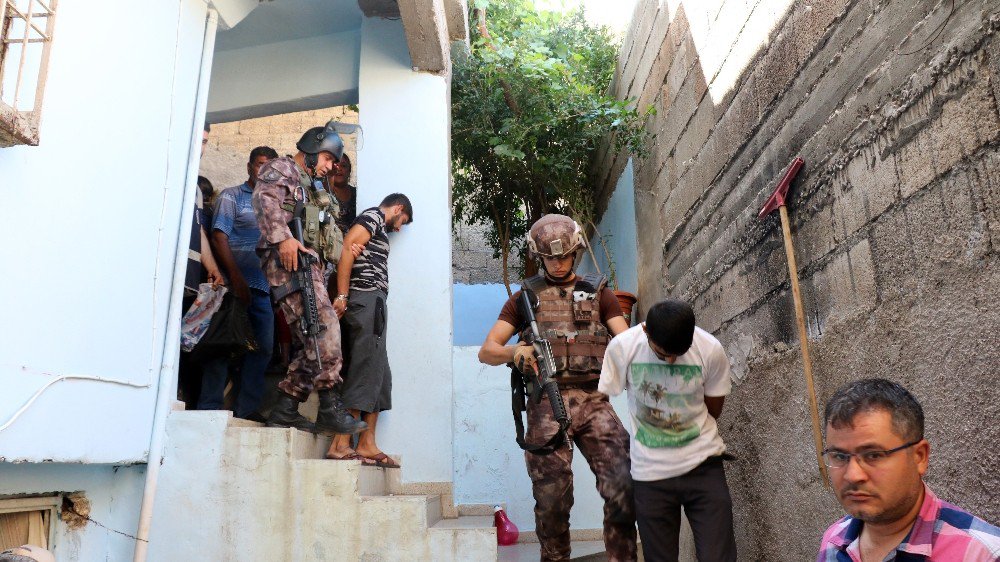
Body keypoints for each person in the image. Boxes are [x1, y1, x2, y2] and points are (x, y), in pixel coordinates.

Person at [478, 214, 636, 562]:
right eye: (551, 257)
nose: (559, 263)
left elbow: (626, 343)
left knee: (623, 485)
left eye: (565, 256)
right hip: (546, 403)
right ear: (539, 256)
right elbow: (487, 351)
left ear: (576, 252)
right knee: (552, 501)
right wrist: (514, 351)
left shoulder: (599, 292)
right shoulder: (524, 299)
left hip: (594, 401)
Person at [599, 299, 737, 562]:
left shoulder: (709, 349)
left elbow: (714, 409)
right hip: (650, 476)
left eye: (679, 353)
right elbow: (602, 399)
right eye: (663, 354)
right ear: (646, 332)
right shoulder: (623, 347)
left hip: (704, 467)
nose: (671, 360)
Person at [251, 123, 365, 436]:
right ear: (314, 148)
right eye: (329, 159)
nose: (331, 167)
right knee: (325, 330)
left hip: (310, 267)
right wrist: (283, 239)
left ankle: (284, 410)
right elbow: (264, 200)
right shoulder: (283, 168)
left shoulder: (313, 188)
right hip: (288, 263)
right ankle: (329, 405)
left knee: (312, 339)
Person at [818, 378, 1000, 562]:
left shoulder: (983, 554)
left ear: (919, 457)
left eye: (874, 455)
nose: (853, 476)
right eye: (839, 456)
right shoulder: (833, 543)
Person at [327, 193, 412, 467]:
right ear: (397, 208)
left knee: (380, 373)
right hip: (365, 298)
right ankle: (341, 442)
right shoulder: (374, 215)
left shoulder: (376, 227)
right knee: (365, 366)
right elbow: (348, 246)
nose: (399, 228)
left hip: (374, 301)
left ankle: (366, 443)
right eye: (403, 220)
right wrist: (342, 296)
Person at [197, 146, 279, 420]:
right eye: (259, 165)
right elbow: (219, 237)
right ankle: (209, 407)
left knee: (263, 347)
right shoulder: (231, 197)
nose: (264, 171)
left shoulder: (274, 204)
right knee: (222, 344)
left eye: (270, 167)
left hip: (263, 288)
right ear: (248, 167)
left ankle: (246, 410)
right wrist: (236, 278)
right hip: (233, 287)